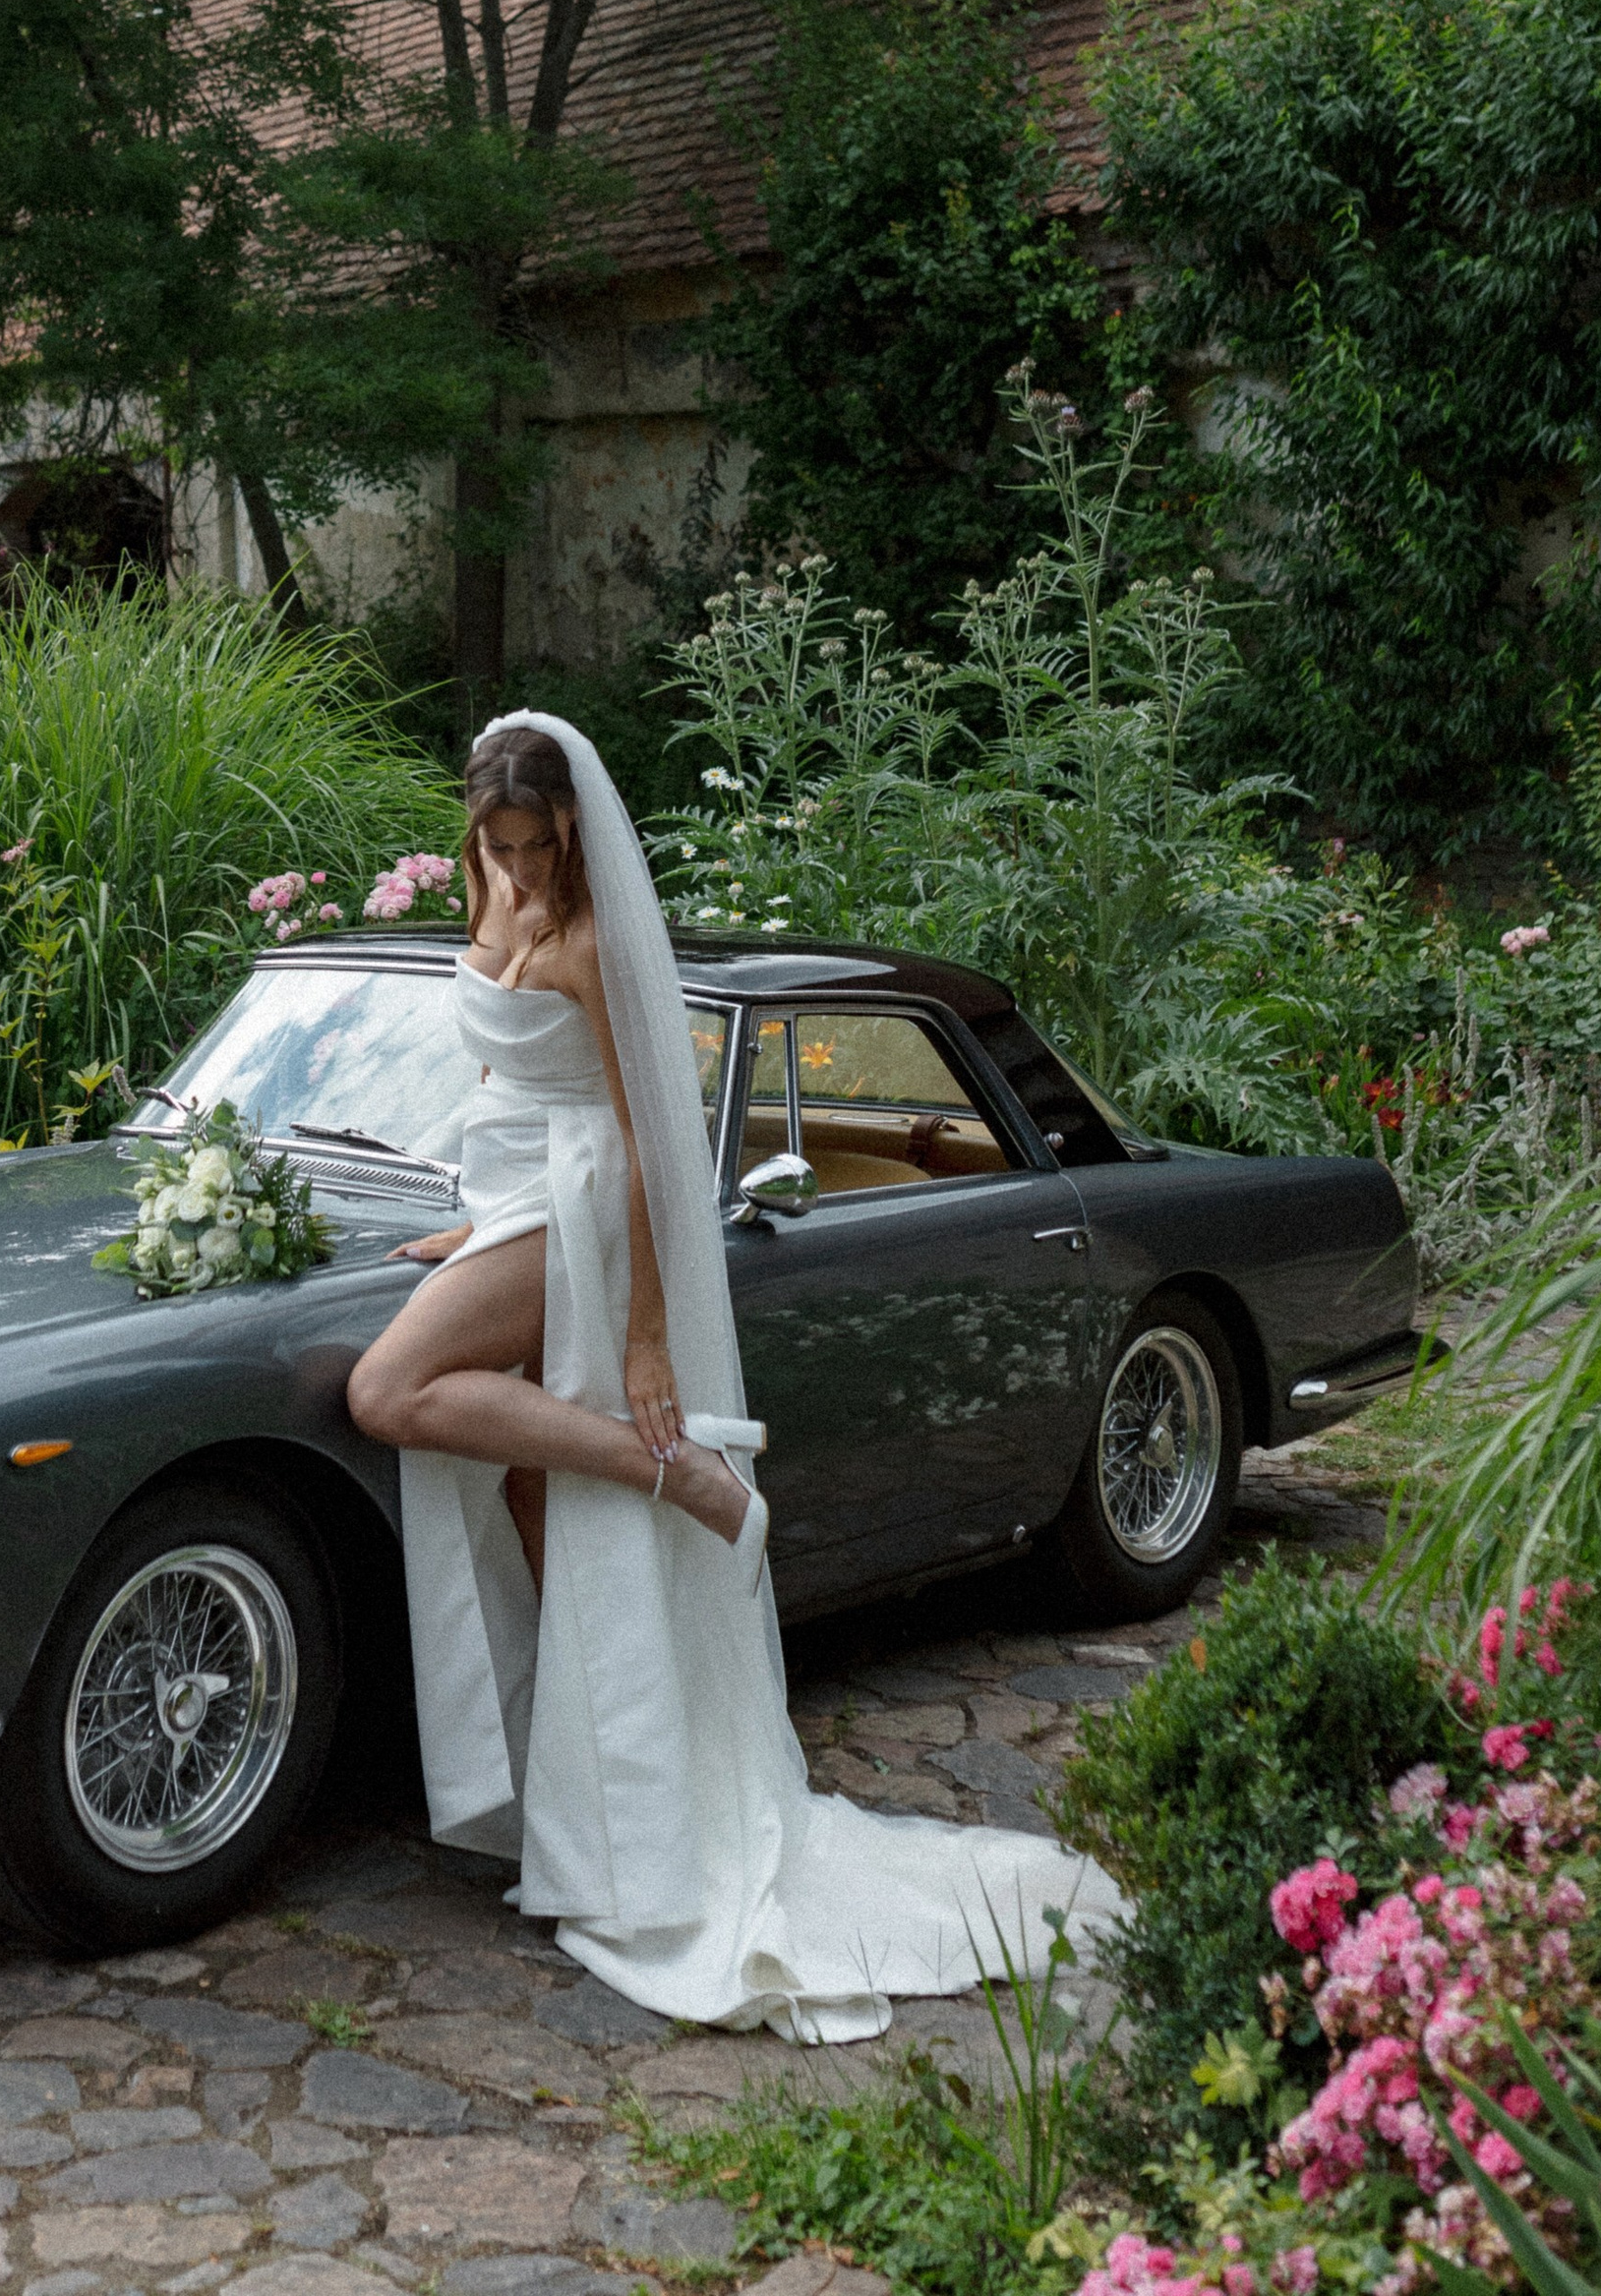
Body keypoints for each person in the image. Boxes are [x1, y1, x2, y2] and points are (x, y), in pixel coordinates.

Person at [345, 709, 1120, 2042]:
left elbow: (652, 1144)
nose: (520, 872)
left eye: (539, 846)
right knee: (537, 1517)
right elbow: (496, 1079)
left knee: (388, 1391)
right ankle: (593, 1827)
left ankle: (674, 1466)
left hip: (589, 1206)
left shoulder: (591, 940)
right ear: (474, 831)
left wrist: (647, 1341)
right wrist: (476, 1215)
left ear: (574, 830)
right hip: (516, 1197)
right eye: (501, 844)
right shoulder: (490, 885)